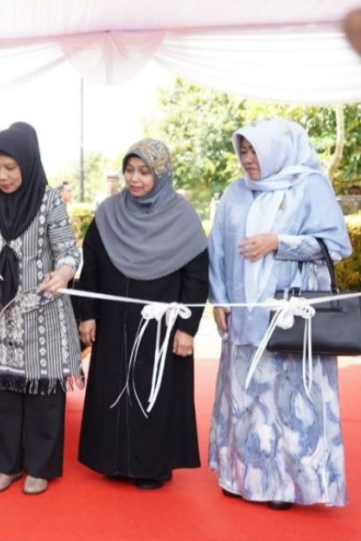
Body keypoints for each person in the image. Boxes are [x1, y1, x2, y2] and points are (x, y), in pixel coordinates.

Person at [208, 118, 352, 508]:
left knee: (289, 404)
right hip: (243, 316)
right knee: (244, 397)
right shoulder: (235, 192)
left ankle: (286, 486)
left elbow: (336, 246)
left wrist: (278, 243)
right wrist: (219, 299)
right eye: (242, 150)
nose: (247, 159)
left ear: (277, 149)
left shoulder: (309, 185)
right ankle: (240, 476)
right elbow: (217, 250)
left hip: (290, 320)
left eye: (254, 150)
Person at [76, 139, 208, 490]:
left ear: (161, 175)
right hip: (114, 322)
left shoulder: (183, 218)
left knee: (156, 393)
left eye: (145, 172)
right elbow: (91, 266)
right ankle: (112, 460)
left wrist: (187, 328)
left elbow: (196, 278)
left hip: (160, 328)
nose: (135, 179)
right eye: (130, 170)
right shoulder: (109, 213)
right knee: (112, 387)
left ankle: (152, 466)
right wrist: (87, 314)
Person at [0, 123, 81, 495]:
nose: (2, 176)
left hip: (43, 309)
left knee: (44, 390)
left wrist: (63, 274)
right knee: (2, 391)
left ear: (27, 163)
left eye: (10, 168)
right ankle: (6, 464)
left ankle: (40, 467)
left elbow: (68, 251)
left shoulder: (49, 201)